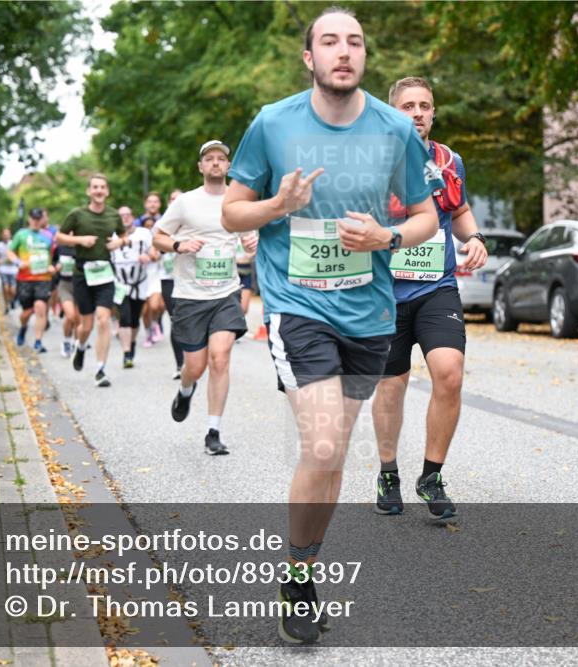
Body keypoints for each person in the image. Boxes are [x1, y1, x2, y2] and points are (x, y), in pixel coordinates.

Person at [222, 8, 440, 643]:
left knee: (334, 451)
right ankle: (297, 578)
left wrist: (386, 237)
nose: (344, 51)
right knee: (321, 445)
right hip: (298, 307)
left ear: (364, 56)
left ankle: (304, 567)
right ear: (309, 58)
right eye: (329, 42)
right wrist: (277, 205)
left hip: (369, 315)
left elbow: (426, 215)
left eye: (355, 42)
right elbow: (232, 213)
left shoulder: (395, 128)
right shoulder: (273, 123)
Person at [370, 77, 489, 519]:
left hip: (436, 287)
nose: (418, 112)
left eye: (425, 105)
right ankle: (388, 473)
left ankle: (431, 476)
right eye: (408, 106)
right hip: (384, 292)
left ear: (433, 113)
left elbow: (460, 211)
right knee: (391, 385)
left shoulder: (448, 160)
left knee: (449, 374)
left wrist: (474, 237)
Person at [154, 141, 255, 456]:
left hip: (226, 293)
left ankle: (214, 431)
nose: (215, 163)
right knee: (195, 367)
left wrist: (252, 240)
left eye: (221, 158)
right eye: (209, 158)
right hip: (190, 295)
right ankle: (186, 390)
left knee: (220, 358)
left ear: (228, 166)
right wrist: (179, 246)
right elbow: (158, 237)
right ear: (200, 167)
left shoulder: (238, 201)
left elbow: (250, 236)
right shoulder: (185, 202)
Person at [55, 174, 128, 388]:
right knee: (85, 325)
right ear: (89, 191)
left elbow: (124, 236)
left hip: (105, 274)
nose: (99, 191)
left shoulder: (113, 215)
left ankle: (100, 370)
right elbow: (59, 237)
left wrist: (119, 243)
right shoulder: (77, 215)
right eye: (95, 187)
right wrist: (80, 240)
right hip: (82, 274)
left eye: (102, 187)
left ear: (107, 191)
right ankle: (80, 346)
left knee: (103, 320)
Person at [112, 205, 154, 368]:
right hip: (120, 284)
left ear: (133, 217)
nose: (125, 217)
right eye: (121, 215)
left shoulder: (144, 233)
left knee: (135, 319)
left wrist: (148, 256)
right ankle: (126, 353)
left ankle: (132, 343)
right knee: (125, 317)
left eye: (128, 214)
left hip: (139, 282)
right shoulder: (111, 236)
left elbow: (155, 252)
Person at [8, 208, 55, 353]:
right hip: (25, 279)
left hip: (43, 278)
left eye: (38, 218)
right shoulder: (21, 234)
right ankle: (23, 327)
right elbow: (10, 251)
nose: (35, 221)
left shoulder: (48, 236)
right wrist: (18, 262)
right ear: (29, 219)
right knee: (26, 312)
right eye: (33, 218)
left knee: (40, 307)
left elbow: (55, 254)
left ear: (42, 220)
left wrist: (53, 266)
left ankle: (38, 341)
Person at [159, 189, 186, 377]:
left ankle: (194, 360)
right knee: (175, 319)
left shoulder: (193, 222)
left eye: (179, 199)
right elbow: (154, 247)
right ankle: (180, 365)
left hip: (189, 279)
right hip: (168, 279)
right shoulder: (162, 225)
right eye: (173, 199)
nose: (176, 202)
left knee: (191, 320)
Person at [52, 228, 80, 358]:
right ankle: (66, 341)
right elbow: (53, 263)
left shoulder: (82, 248)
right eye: (69, 234)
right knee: (70, 316)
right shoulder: (60, 248)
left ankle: (77, 344)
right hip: (65, 284)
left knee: (79, 318)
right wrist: (56, 267)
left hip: (80, 285)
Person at [0, 228, 19, 312]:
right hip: (3, 270)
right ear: (2, 236)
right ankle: (6, 305)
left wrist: (14, 260)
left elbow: (17, 256)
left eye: (7, 234)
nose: (6, 236)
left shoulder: (14, 244)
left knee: (13, 290)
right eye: (4, 234)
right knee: (5, 288)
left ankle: (12, 300)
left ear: (10, 235)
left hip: (13, 270)